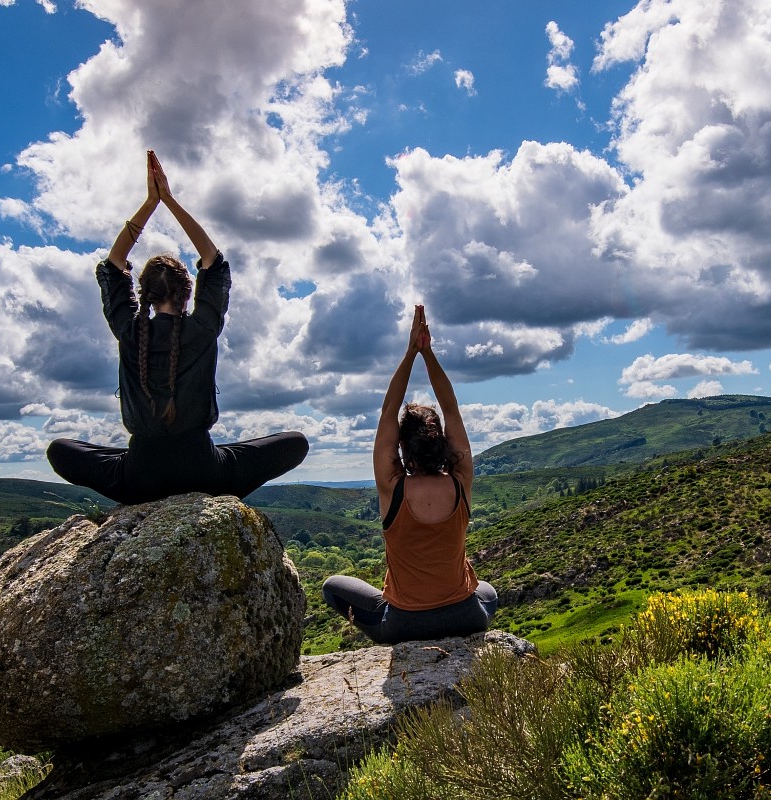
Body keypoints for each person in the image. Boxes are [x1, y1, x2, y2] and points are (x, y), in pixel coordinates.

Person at [46, 151, 309, 505]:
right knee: (295, 442)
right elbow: (214, 262)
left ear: (145, 295)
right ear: (188, 291)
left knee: (60, 449)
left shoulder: (128, 329)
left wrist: (150, 204)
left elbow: (112, 266)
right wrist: (169, 200)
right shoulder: (202, 327)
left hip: (139, 477)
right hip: (204, 472)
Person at [321, 305, 496, 643]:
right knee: (487, 590)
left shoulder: (392, 487)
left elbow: (389, 409)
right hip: (466, 616)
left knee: (332, 587)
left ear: (403, 447)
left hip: (404, 625)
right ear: (442, 442)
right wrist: (428, 354)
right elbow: (451, 406)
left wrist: (410, 352)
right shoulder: (461, 480)